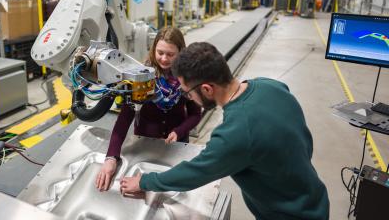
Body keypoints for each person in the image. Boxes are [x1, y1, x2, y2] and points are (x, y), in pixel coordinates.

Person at [120, 42, 330, 220]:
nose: (188, 99)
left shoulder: (235, 133)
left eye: (187, 93)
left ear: (207, 89)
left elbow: (193, 173)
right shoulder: (271, 86)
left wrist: (145, 181)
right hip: (315, 199)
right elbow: (301, 139)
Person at [95, 27, 202, 191]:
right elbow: (124, 119)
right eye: (160, 52)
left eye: (170, 54)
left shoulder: (187, 78)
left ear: (181, 52)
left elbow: (195, 114)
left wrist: (179, 131)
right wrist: (111, 157)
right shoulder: (141, 77)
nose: (164, 59)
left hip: (176, 146)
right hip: (144, 146)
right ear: (153, 50)